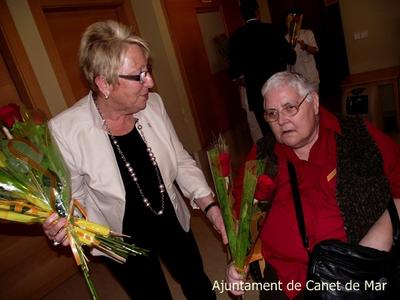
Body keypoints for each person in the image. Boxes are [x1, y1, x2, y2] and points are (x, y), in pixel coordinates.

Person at [42, 20, 227, 300]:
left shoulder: (154, 105)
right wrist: (66, 226)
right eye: (138, 75)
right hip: (121, 238)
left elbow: (179, 158)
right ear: (104, 84)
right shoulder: (66, 130)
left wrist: (209, 204)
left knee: (197, 282)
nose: (150, 82)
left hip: (170, 216)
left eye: (148, 70)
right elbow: (75, 201)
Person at [226, 71, 400, 299]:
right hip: (288, 283)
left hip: (355, 278)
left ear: (314, 102)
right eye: (272, 113)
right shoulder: (261, 156)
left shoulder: (359, 136)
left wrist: (381, 231)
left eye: (290, 108)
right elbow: (242, 216)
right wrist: (237, 262)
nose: (281, 121)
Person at [228, 0, 296, 137]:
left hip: (256, 93)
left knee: (269, 134)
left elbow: (234, 72)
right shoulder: (272, 29)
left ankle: (274, 157)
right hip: (279, 88)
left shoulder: (236, 37)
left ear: (242, 16)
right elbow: (291, 57)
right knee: (288, 127)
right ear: (257, 13)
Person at [285, 9, 320, 91]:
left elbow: (315, 50)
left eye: (293, 20)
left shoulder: (308, 33)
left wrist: (305, 47)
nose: (291, 24)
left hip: (312, 79)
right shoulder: (284, 39)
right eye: (288, 21)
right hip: (296, 82)